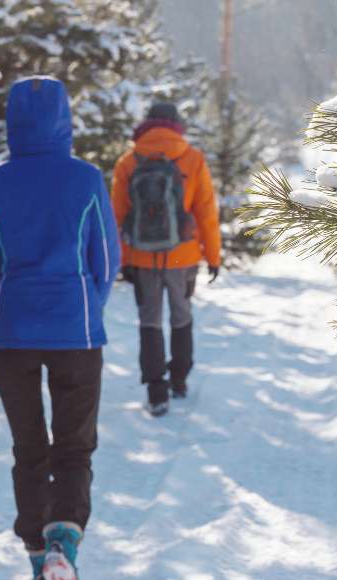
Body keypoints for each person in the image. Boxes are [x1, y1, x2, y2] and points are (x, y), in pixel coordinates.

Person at [0, 76, 120, 580]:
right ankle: (64, 548)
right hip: (76, 332)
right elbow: (106, 260)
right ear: (64, 119)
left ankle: (37, 559)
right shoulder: (87, 178)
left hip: (11, 334)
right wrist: (86, 308)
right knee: (75, 448)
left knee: (29, 448)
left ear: (11, 122)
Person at [111, 102, 221, 416]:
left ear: (146, 124)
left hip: (142, 257)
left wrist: (121, 260)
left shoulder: (128, 162)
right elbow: (206, 214)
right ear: (176, 125)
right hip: (183, 256)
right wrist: (213, 257)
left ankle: (157, 392)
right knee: (181, 315)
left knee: (150, 321)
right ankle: (180, 379)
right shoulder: (193, 158)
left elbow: (116, 216)